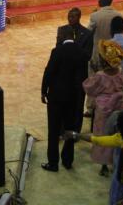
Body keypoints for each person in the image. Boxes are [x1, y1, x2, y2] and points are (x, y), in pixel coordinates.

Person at [41, 27, 88, 171]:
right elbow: (84, 77)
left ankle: (53, 163)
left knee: (54, 129)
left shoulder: (57, 51)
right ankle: (67, 160)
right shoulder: (82, 53)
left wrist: (44, 91)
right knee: (70, 128)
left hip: (56, 96)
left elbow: (49, 72)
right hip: (74, 97)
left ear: (61, 36)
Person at [84, 40, 123, 175]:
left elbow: (89, 89)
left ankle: (103, 165)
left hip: (104, 108)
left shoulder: (100, 75)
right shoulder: (120, 71)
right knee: (116, 133)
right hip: (119, 105)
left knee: (102, 133)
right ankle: (117, 161)